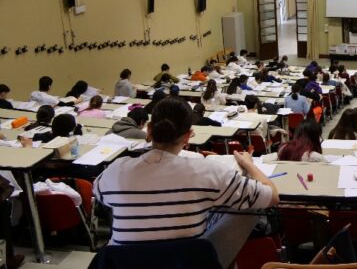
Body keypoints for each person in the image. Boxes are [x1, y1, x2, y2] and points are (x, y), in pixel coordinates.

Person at [93, 97, 278, 268]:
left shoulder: (116, 170)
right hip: (184, 263)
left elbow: (99, 194)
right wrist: (248, 164)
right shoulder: (206, 171)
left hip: (123, 264)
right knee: (247, 209)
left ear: (148, 130)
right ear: (188, 135)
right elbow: (271, 197)